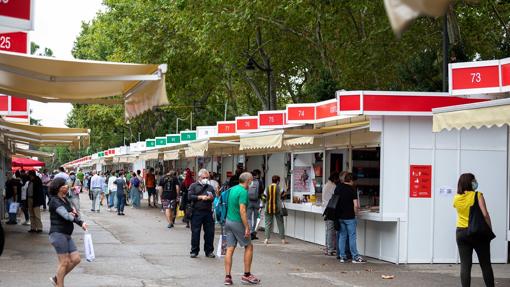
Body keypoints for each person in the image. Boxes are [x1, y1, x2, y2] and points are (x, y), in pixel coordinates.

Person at [454, 173, 494, 287]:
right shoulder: (477, 195)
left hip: (461, 232)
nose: (475, 182)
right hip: (477, 232)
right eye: (474, 180)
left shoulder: (457, 198)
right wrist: (489, 229)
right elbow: (485, 214)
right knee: (485, 264)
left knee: (465, 265)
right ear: (469, 182)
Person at [48, 177, 88, 287]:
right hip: (58, 234)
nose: (66, 187)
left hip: (66, 234)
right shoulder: (54, 201)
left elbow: (73, 214)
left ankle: (57, 278)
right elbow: (67, 216)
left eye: (66, 185)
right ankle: (59, 284)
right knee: (64, 262)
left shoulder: (65, 199)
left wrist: (80, 221)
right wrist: (75, 217)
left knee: (76, 259)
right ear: (58, 188)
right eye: (64, 186)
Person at [224, 172, 260, 285]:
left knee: (230, 249)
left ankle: (228, 277)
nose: (252, 182)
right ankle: (247, 275)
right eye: (251, 180)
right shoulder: (244, 192)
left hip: (228, 221)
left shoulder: (233, 189)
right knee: (249, 246)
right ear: (248, 180)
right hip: (237, 222)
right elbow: (242, 210)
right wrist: (247, 227)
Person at [335, 172, 365, 263]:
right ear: (351, 180)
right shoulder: (352, 189)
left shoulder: (338, 188)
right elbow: (356, 205)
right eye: (353, 181)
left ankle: (342, 256)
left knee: (342, 236)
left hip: (340, 216)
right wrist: (356, 214)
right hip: (350, 217)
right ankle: (355, 256)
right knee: (352, 236)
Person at [188, 169, 215, 258]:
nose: (206, 179)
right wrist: (200, 197)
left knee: (209, 232)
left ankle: (209, 251)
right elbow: (190, 196)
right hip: (196, 212)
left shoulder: (210, 187)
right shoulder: (193, 186)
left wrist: (211, 198)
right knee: (195, 232)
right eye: (204, 177)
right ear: (199, 177)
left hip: (208, 212)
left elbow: (213, 197)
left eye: (207, 177)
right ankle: (194, 251)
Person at [263, 175, 287, 245]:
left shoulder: (267, 188)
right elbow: (283, 197)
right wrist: (285, 193)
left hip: (268, 208)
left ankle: (266, 239)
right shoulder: (280, 188)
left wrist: (263, 205)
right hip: (278, 208)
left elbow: (264, 198)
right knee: (280, 223)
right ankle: (282, 240)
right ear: (278, 181)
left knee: (267, 224)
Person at [322, 171, 340, 256]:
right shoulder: (333, 186)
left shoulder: (326, 185)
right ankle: (330, 249)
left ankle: (327, 248)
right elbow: (336, 197)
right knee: (331, 231)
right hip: (331, 210)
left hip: (326, 209)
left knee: (328, 230)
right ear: (335, 179)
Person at [247, 169, 264, 240]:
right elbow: (262, 190)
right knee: (256, 218)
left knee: (249, 218)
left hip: (248, 201)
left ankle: (250, 231)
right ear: (255, 175)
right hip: (257, 201)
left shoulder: (247, 182)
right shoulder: (259, 182)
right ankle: (254, 232)